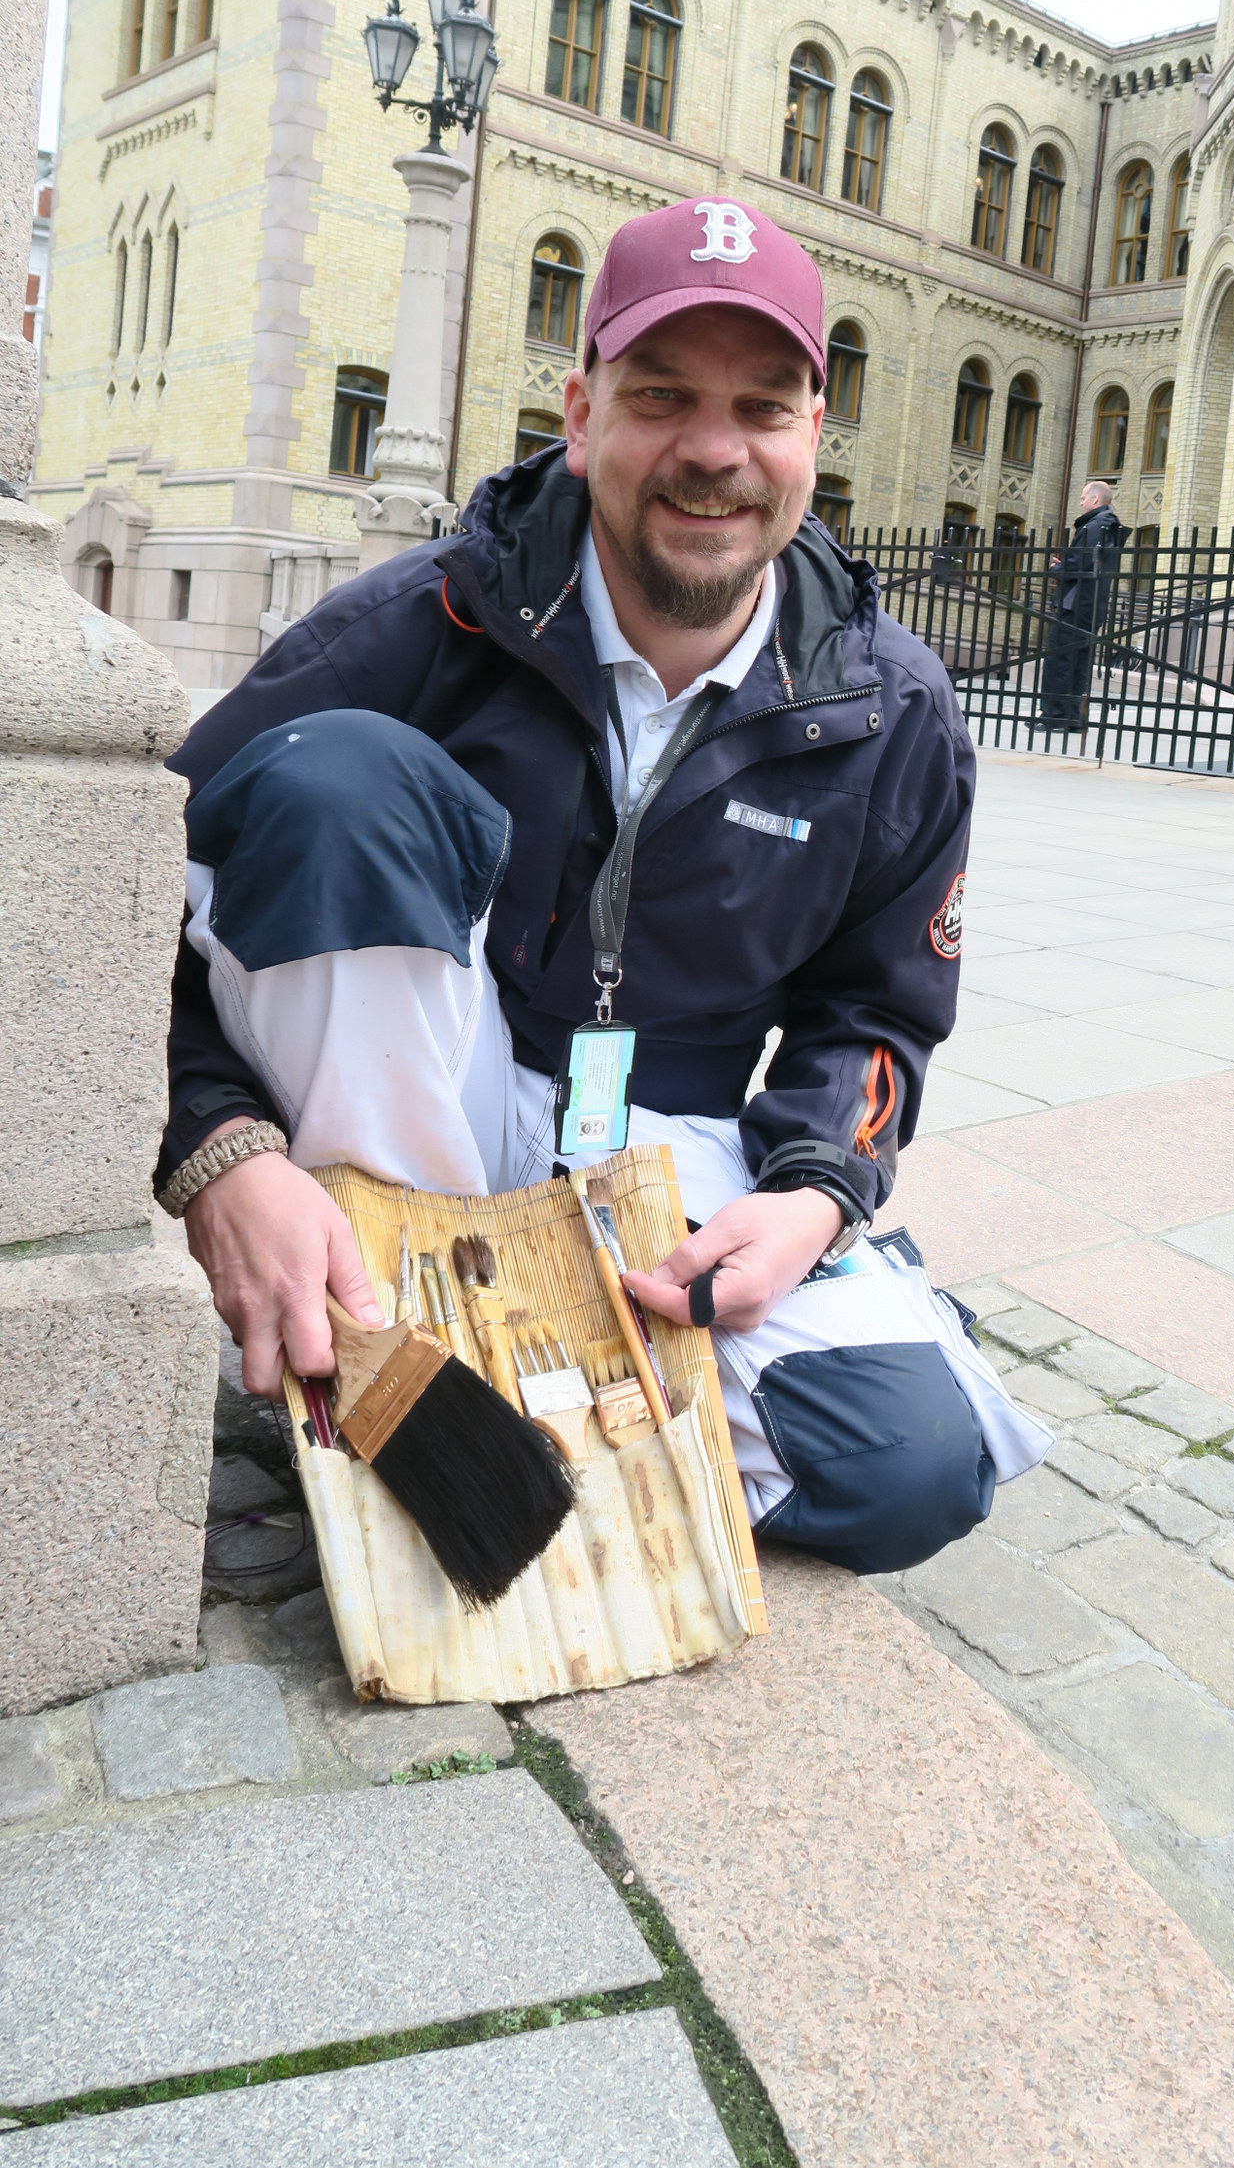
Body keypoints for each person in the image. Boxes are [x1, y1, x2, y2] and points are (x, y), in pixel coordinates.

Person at [154, 196, 1046, 1575]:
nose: (713, 450)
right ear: (580, 414)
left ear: (815, 437)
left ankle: (510, 1390)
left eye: (762, 406)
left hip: (665, 1138)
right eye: (662, 397)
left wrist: (812, 1192)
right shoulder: (414, 628)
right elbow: (135, 908)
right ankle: (404, 1342)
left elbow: (878, 1016)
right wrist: (223, 1149)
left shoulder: (892, 708)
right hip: (428, 1088)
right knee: (330, 780)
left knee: (908, 1468)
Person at [1040, 478, 1128, 731]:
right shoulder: (1109, 526)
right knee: (1078, 662)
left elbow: (1079, 565)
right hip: (1092, 604)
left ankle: (1055, 718)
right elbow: (1090, 563)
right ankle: (1073, 718)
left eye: (1082, 498)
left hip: (1075, 604)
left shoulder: (1095, 525)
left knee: (1060, 660)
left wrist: (1058, 567)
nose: (1080, 503)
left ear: (1095, 500)